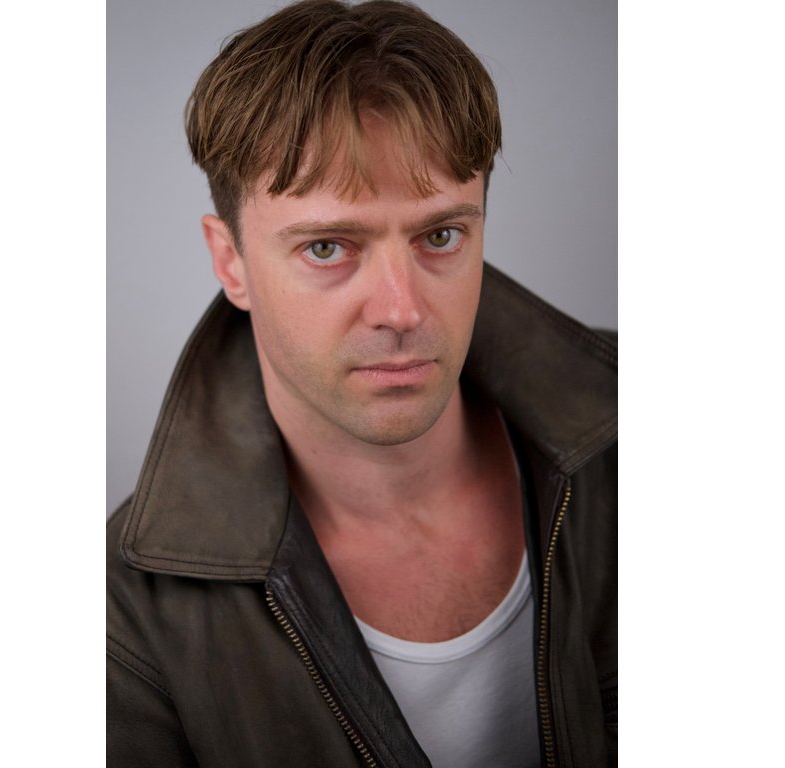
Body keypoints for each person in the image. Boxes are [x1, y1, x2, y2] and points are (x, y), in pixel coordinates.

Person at [106, 1, 616, 765]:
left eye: (441, 235)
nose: (402, 310)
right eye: (327, 248)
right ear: (230, 261)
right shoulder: (126, 616)